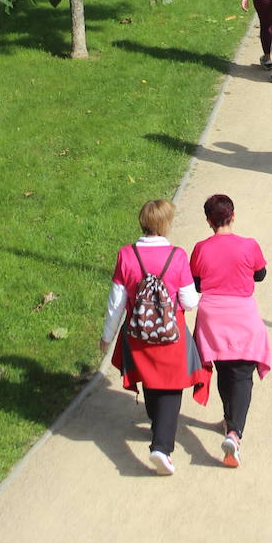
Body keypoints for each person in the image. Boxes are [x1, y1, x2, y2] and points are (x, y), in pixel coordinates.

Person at [101, 199, 208, 476]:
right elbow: (188, 300)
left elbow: (116, 302)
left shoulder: (126, 255)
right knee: (171, 388)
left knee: (150, 380)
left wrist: (107, 336)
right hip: (171, 336)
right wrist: (199, 293)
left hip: (138, 334)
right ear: (165, 224)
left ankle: (156, 423)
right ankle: (161, 447)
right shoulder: (177, 256)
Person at [190, 194, 270, 469]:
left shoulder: (200, 248)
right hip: (242, 315)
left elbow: (197, 284)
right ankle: (234, 434)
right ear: (233, 216)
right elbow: (260, 275)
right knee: (243, 374)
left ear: (208, 221)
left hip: (212, 318)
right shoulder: (249, 245)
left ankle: (228, 421)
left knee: (224, 369)